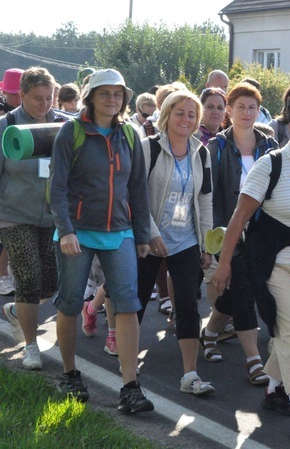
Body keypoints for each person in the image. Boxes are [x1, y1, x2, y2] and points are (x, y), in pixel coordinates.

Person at [212, 85, 290, 436]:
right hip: (276, 265)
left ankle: (273, 390)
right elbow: (238, 219)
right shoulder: (271, 164)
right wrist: (224, 264)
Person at [49, 68, 154, 414]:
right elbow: (57, 187)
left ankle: (130, 385)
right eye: (104, 93)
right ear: (90, 96)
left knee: (127, 305)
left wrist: (141, 235)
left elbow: (137, 187)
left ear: (124, 98)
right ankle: (69, 373)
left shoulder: (130, 134)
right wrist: (65, 229)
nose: (112, 99)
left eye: (118, 93)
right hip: (77, 232)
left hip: (120, 232)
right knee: (68, 303)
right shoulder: (72, 132)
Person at [136, 91, 215, 396]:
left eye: (192, 114)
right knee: (138, 300)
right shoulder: (148, 149)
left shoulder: (201, 153)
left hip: (187, 240)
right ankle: (128, 362)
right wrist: (151, 233)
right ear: (167, 114)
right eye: (180, 113)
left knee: (187, 304)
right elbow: (137, 197)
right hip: (150, 238)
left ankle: (190, 375)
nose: (186, 119)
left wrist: (207, 246)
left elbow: (205, 200)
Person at [201, 82, 278, 386]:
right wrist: (213, 242)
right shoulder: (216, 147)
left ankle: (209, 333)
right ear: (229, 111)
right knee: (244, 291)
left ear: (260, 111)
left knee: (235, 292)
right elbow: (209, 196)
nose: (247, 113)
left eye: (253, 107)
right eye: (241, 107)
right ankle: (253, 360)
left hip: (262, 231)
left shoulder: (269, 146)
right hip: (227, 232)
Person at [0, 67, 65, 370]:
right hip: (14, 216)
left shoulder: (64, 126)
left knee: (50, 285)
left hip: (53, 217)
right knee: (28, 278)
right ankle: (30, 346)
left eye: (49, 98)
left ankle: (17, 309)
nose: (44, 104)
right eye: (37, 98)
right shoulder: (6, 127)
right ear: (21, 96)